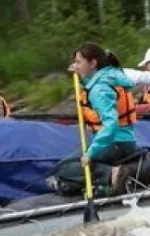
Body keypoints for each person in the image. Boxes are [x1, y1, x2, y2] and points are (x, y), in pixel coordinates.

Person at [50, 43, 139, 195]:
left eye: (79, 62)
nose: (75, 66)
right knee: (65, 165)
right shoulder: (109, 76)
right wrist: (80, 74)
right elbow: (92, 83)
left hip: (116, 142)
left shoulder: (99, 90)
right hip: (122, 140)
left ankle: (112, 174)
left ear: (93, 63)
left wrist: (91, 153)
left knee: (64, 169)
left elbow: (111, 125)